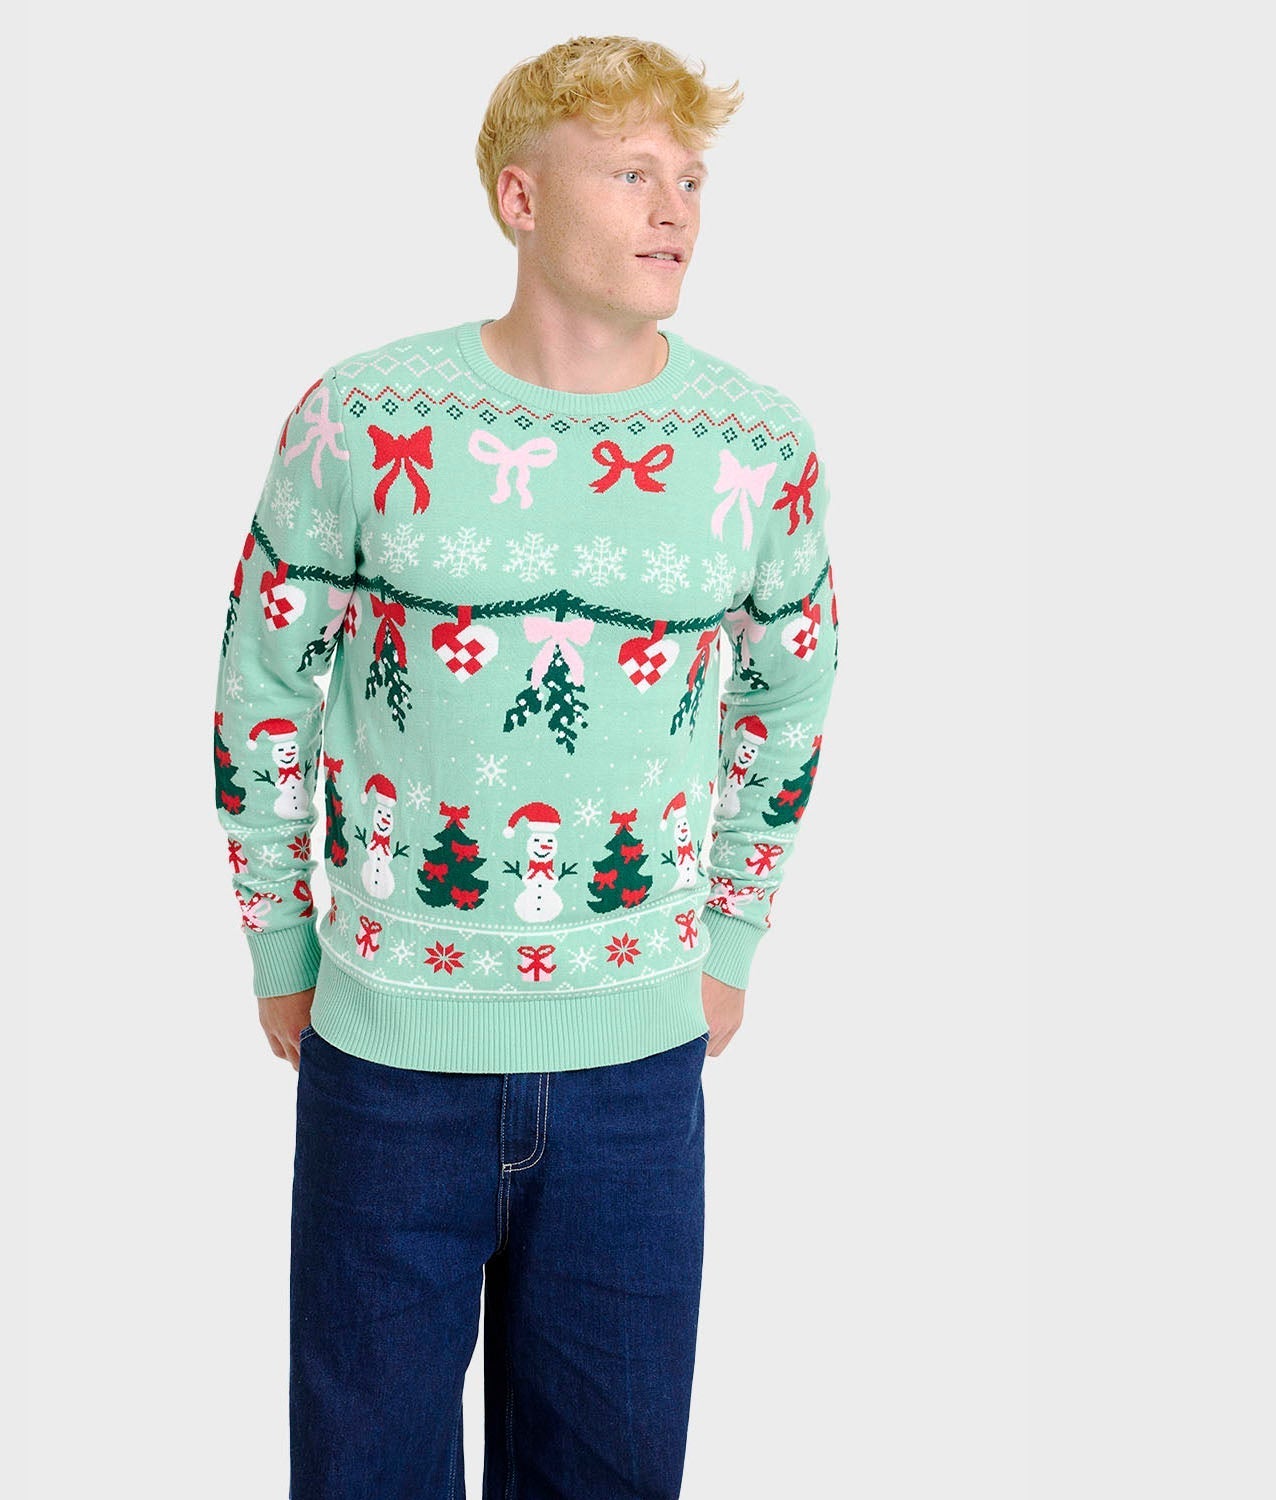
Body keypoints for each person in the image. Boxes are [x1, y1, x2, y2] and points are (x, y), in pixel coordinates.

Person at [212, 33, 841, 1499]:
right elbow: (262, 687)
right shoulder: (364, 418)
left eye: (691, 178)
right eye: (631, 174)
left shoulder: (758, 447)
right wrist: (280, 942)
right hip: (388, 1063)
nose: (674, 210)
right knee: (365, 1474)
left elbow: (791, 698)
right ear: (519, 196)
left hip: (637, 1071)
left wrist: (732, 934)